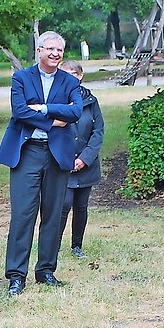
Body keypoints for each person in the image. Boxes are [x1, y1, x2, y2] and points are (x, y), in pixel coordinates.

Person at [0, 31, 83, 296]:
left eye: (60, 50)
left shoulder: (69, 81)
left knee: (53, 214)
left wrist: (43, 109)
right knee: (23, 214)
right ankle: (16, 275)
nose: (56, 54)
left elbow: (76, 111)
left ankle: (46, 270)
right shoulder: (21, 78)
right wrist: (54, 117)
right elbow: (20, 111)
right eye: (51, 49)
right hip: (28, 152)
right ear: (39, 50)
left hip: (57, 154)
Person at [57, 60, 105, 259]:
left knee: (81, 206)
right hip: (63, 164)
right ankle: (54, 246)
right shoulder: (56, 99)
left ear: (80, 75)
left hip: (87, 164)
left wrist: (85, 159)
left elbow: (98, 132)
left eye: (73, 74)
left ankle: (77, 246)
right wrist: (66, 159)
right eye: (64, 74)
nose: (70, 78)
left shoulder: (91, 101)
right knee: (63, 205)